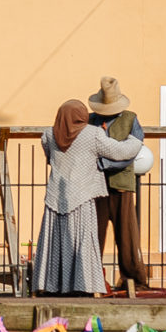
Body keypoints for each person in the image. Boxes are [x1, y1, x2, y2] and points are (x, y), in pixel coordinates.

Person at [31, 99, 114, 297]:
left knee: (54, 242)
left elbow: (49, 157)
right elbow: (117, 152)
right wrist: (135, 141)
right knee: (82, 241)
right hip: (82, 197)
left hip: (55, 197)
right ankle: (83, 284)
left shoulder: (49, 135)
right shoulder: (93, 134)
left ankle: (52, 285)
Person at [88, 77, 151, 294]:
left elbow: (133, 150)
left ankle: (133, 279)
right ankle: (91, 279)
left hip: (121, 185)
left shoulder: (131, 119)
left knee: (127, 236)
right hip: (95, 186)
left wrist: (105, 163)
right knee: (93, 235)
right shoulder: (90, 121)